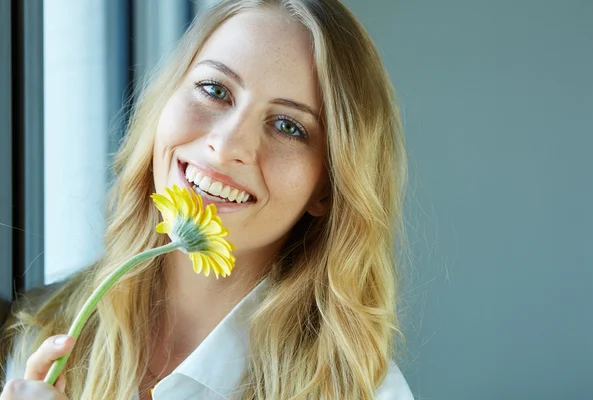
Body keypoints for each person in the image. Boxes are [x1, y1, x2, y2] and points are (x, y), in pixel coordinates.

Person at [0, 0, 413, 398]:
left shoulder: (364, 393)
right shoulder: (36, 335)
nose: (228, 143)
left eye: (288, 126)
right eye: (214, 89)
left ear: (326, 188)